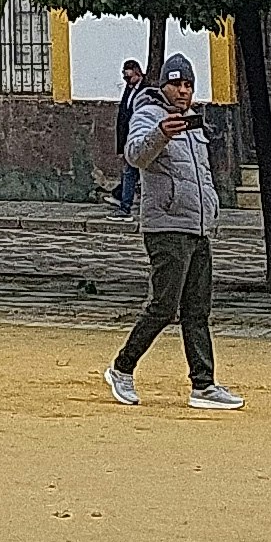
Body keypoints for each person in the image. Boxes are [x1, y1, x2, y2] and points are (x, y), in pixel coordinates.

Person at [106, 55, 241, 411]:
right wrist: (160, 134)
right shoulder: (149, 114)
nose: (183, 91)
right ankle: (122, 368)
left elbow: (202, 172)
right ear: (163, 85)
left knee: (197, 308)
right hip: (165, 225)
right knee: (164, 306)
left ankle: (204, 385)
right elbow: (135, 155)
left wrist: (210, 207)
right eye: (177, 84)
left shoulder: (193, 122)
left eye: (188, 85)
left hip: (196, 225)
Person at [114, 55, 148, 218]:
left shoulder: (147, 89)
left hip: (144, 137)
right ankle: (125, 205)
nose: (126, 80)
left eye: (128, 76)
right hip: (130, 139)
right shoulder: (128, 89)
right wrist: (121, 145)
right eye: (124, 77)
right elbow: (122, 117)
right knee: (129, 171)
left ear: (137, 73)